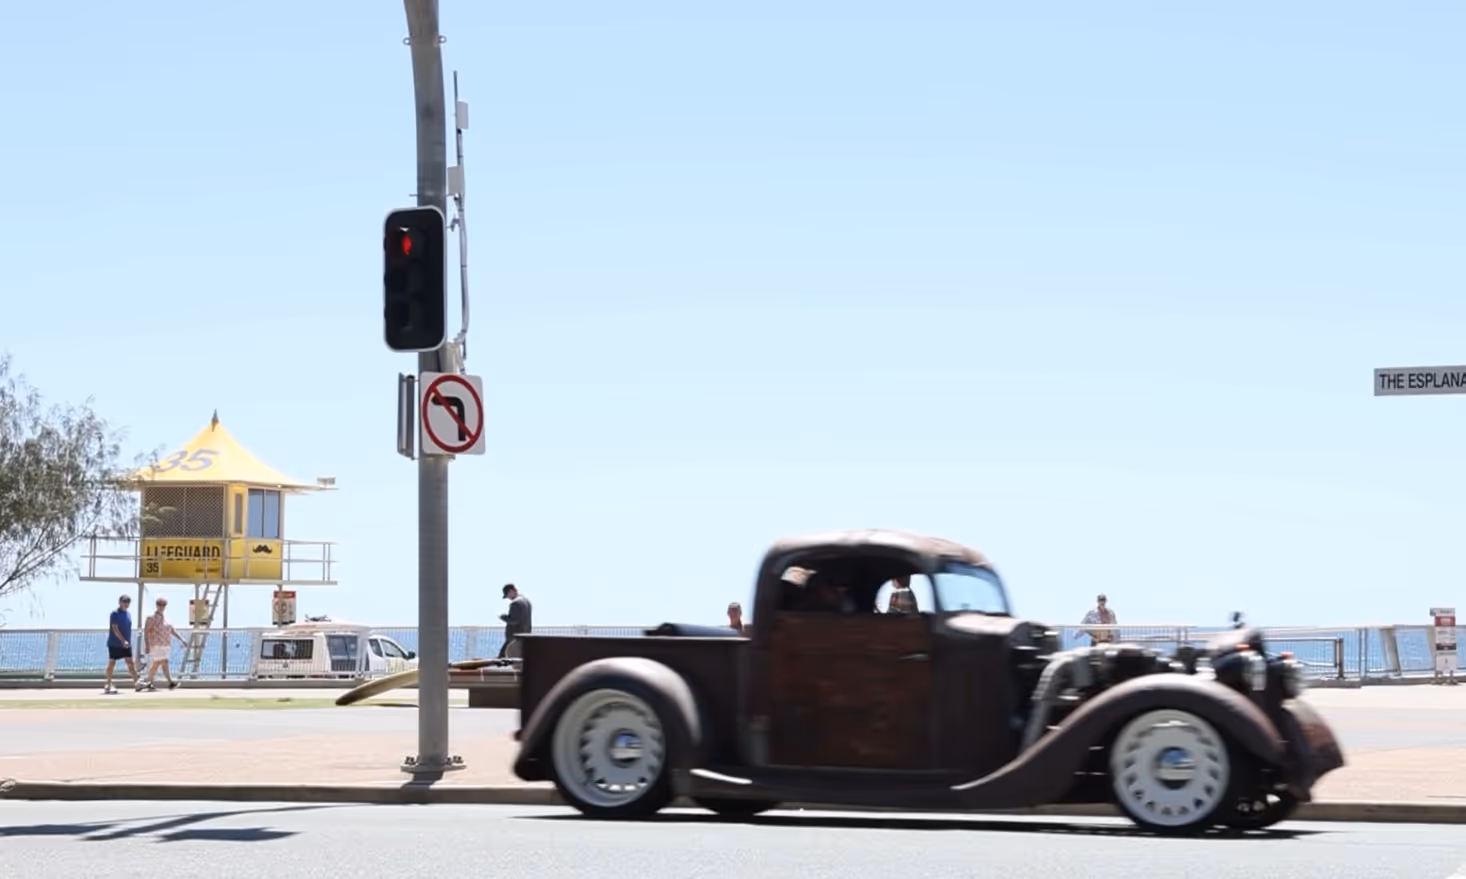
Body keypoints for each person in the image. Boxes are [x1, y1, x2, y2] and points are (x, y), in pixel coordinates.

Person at [141, 597, 187, 691]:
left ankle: (147, 682)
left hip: (165, 644)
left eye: (163, 604)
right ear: (156, 605)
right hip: (156, 644)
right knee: (161, 662)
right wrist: (147, 645)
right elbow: (146, 632)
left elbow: (172, 630)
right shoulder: (151, 618)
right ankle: (169, 682)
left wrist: (181, 639)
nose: (161, 606)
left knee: (158, 664)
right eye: (159, 604)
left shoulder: (166, 619)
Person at [103, 595, 138, 695]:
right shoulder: (115, 614)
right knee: (112, 663)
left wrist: (127, 641)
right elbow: (115, 628)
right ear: (119, 602)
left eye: (128, 602)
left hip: (126, 644)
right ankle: (108, 683)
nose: (126, 604)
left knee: (130, 663)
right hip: (115, 643)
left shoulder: (128, 614)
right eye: (124, 601)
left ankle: (136, 683)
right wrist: (123, 640)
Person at [498, 583, 533, 658]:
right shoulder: (527, 601)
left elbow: (514, 620)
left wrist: (503, 617)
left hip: (514, 637)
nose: (508, 598)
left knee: (501, 658)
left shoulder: (515, 603)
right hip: (525, 636)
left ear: (511, 591)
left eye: (507, 595)